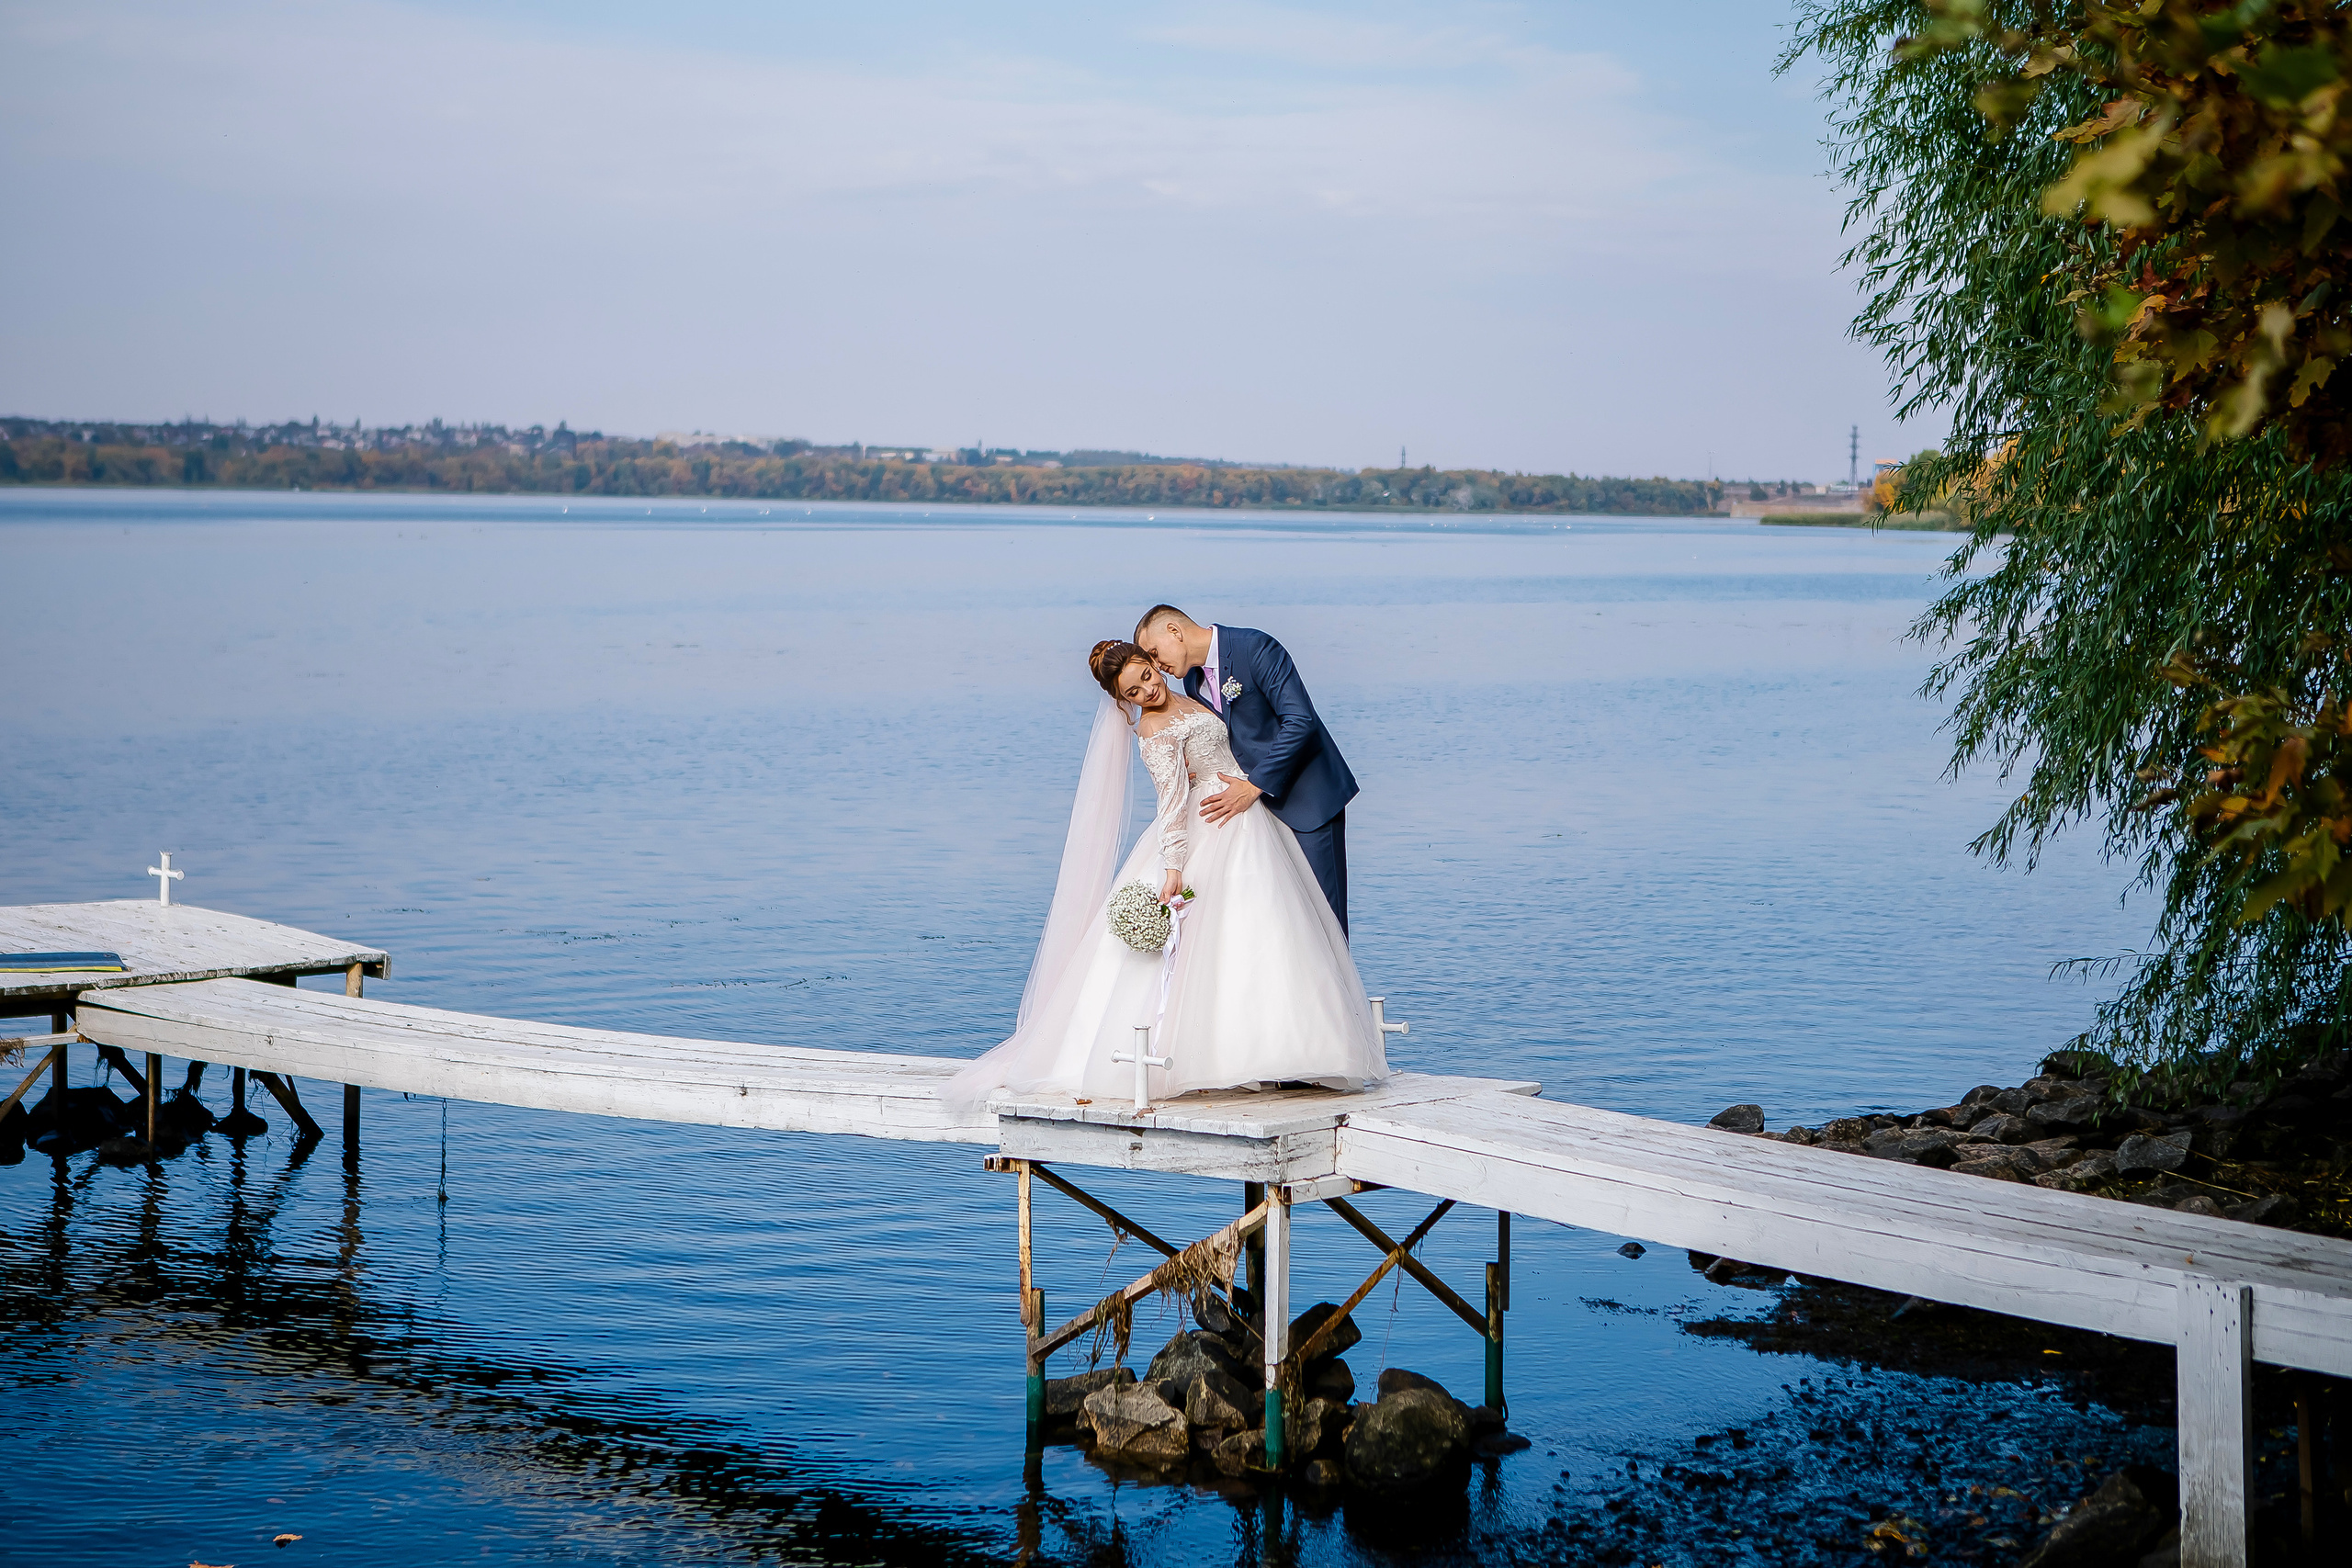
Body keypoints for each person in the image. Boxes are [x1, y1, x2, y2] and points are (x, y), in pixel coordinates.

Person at [948, 640, 1386, 1105]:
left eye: (1145, 676)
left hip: (1244, 811)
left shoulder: (1189, 691)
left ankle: (1291, 1051)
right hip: (1210, 819)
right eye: (1132, 692)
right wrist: (1174, 866)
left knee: (1269, 930)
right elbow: (1172, 802)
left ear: (1153, 663)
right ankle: (1220, 1056)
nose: (1146, 691)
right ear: (1123, 701)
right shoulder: (1154, 731)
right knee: (1224, 936)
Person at [1131, 606, 1357, 936]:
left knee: (1325, 924)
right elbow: (1230, 735)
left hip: (1307, 799)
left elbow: (1300, 721)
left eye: (1154, 652)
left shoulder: (1255, 647)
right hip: (1255, 817)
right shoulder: (1194, 680)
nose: (1156, 665)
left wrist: (1254, 786)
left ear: (1174, 631)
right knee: (1281, 926)